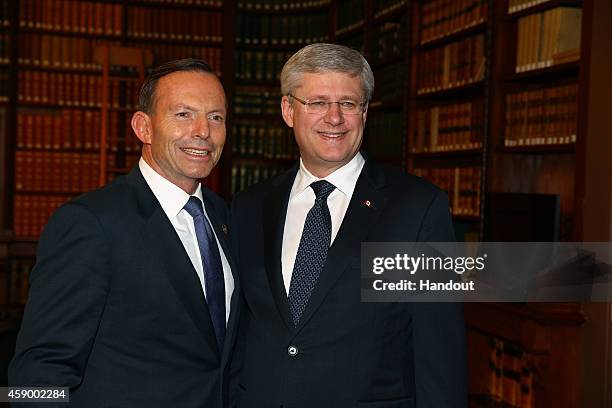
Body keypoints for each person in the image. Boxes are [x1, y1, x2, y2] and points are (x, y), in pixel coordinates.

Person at [230, 43, 467, 407]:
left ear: (365, 112)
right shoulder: (250, 206)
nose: (335, 118)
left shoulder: (419, 209)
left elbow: (440, 354)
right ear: (288, 110)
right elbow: (242, 333)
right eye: (318, 102)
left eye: (348, 103)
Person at [9, 59, 239, 408]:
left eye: (216, 117)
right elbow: (34, 376)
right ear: (143, 127)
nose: (203, 131)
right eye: (183, 114)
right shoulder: (91, 223)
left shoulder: (225, 217)